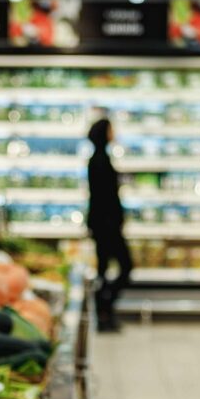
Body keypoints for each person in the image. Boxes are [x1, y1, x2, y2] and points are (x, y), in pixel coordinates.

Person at [87, 118, 133, 332]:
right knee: (124, 266)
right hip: (107, 226)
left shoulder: (100, 158)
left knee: (105, 269)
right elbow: (103, 198)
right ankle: (103, 308)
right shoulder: (100, 160)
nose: (114, 132)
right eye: (111, 129)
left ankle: (104, 310)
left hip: (102, 225)